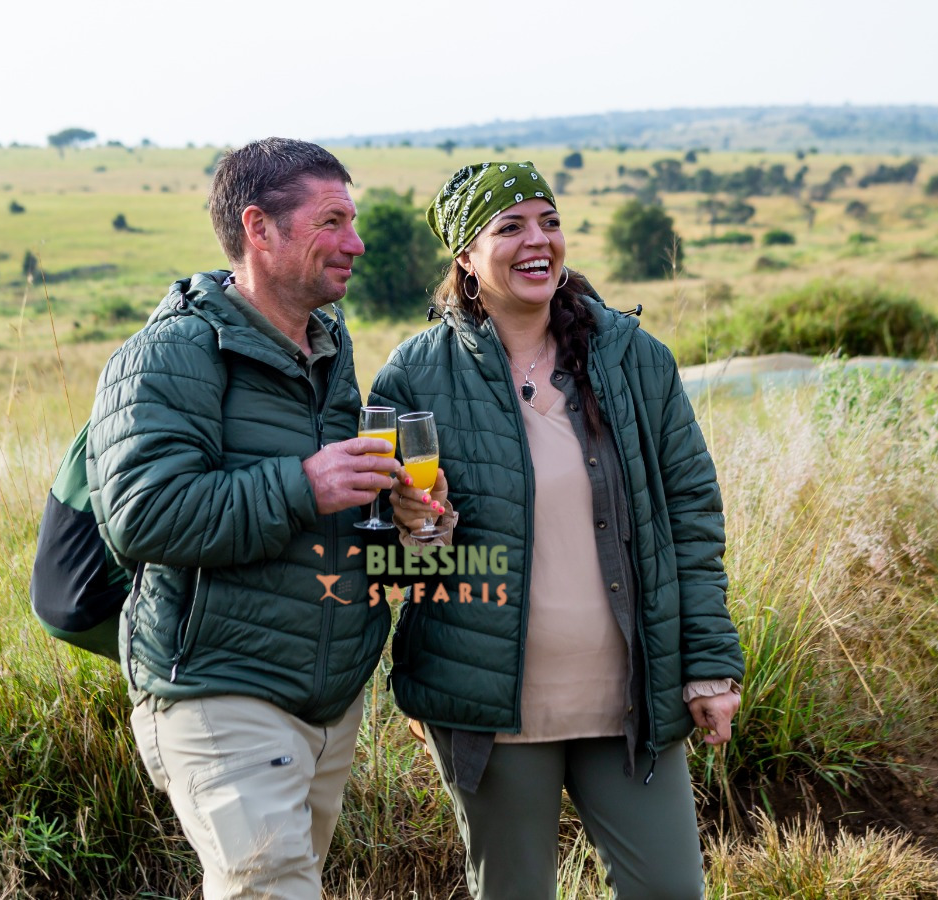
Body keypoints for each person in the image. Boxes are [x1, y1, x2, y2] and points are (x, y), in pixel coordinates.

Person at [370, 162, 746, 899]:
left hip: (630, 696)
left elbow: (693, 518)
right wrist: (422, 525)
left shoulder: (634, 357)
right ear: (466, 259)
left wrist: (708, 662)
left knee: (670, 890)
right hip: (488, 704)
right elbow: (387, 554)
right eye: (509, 227)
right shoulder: (414, 378)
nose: (537, 240)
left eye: (549, 220)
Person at [86, 138, 397, 898]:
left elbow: (329, 509)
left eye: (353, 220)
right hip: (219, 692)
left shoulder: (327, 346)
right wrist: (304, 484)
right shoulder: (170, 355)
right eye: (332, 222)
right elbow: (142, 514)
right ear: (260, 229)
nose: (355, 242)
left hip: (327, 702)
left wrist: (398, 510)